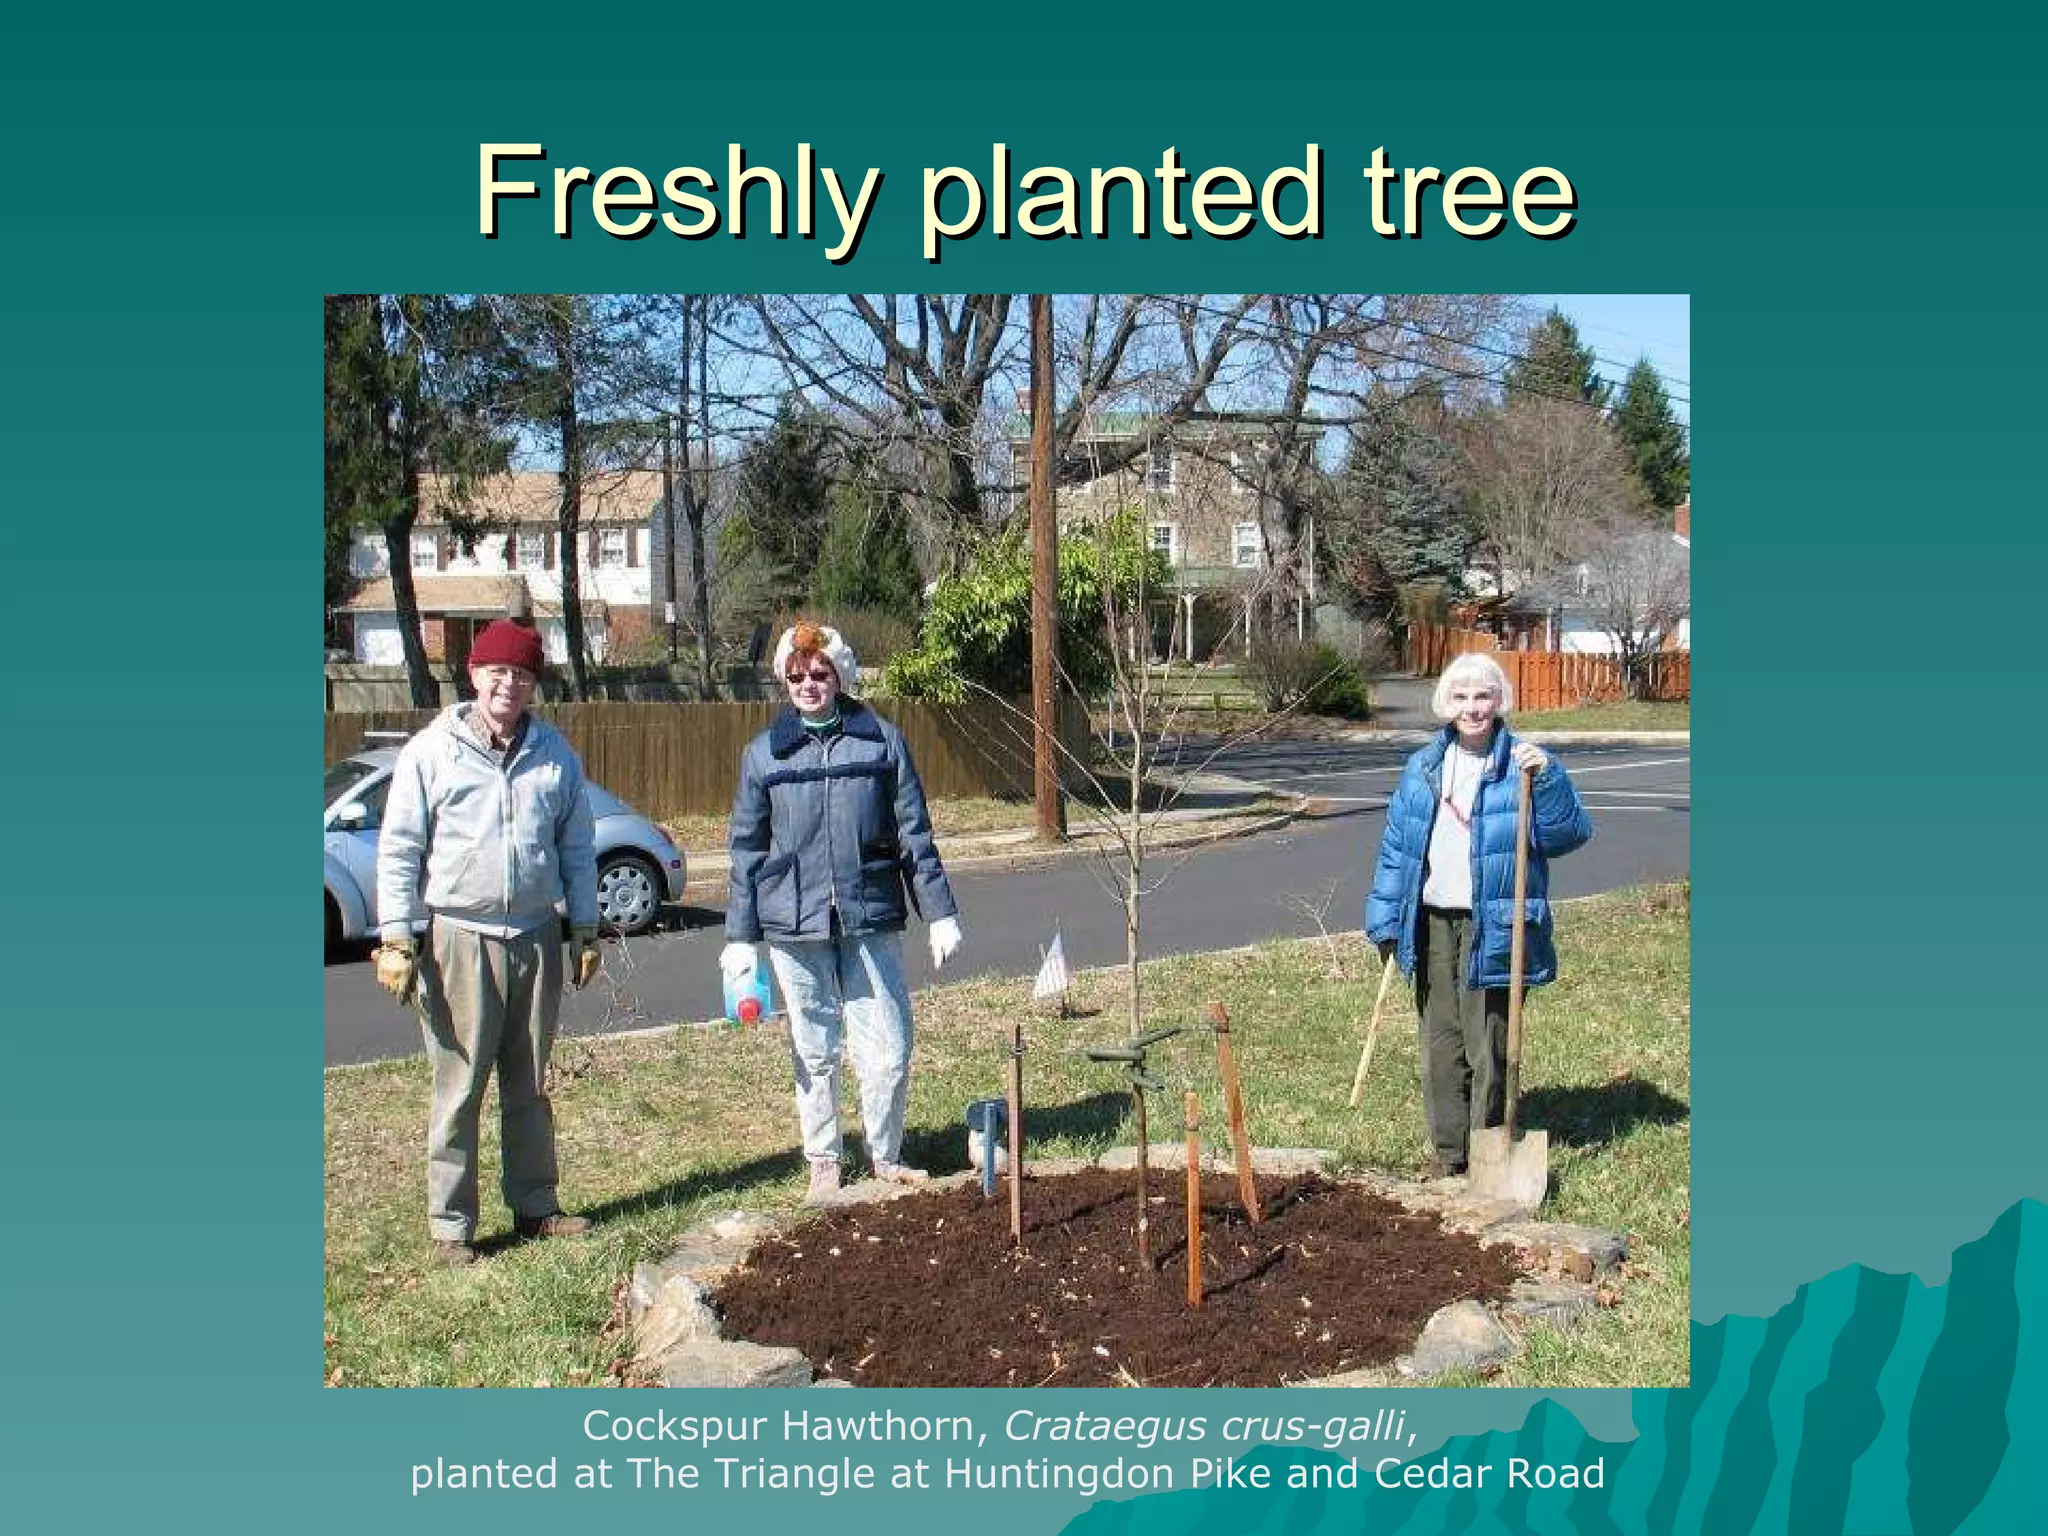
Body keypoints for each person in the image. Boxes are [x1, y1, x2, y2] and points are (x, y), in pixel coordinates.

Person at [372, 618, 604, 1266]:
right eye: (498, 672)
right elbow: (398, 849)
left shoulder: (555, 754)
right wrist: (396, 936)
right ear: (474, 675)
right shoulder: (432, 751)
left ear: (534, 686)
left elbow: (578, 848)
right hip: (459, 938)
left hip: (534, 934)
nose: (510, 684)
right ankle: (452, 1226)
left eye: (523, 675)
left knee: (529, 1081)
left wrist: (583, 927)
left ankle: (536, 1206)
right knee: (460, 1083)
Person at [721, 621, 963, 1201]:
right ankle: (823, 1161)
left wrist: (940, 911)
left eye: (821, 673)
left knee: (888, 1046)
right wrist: (739, 936)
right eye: (798, 675)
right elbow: (747, 848)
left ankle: (885, 1155)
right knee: (814, 1048)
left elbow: (913, 834)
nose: (810, 684)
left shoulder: (881, 741)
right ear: (785, 682)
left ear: (840, 676)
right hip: (792, 924)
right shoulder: (764, 755)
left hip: (870, 914)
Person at [1365, 652, 1593, 1177]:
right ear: (1446, 703)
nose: (1473, 707)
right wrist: (1383, 917)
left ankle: (1488, 1149)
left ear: (1500, 701)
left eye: (1484, 695)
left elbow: (1568, 835)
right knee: (1439, 1040)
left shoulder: (1526, 766)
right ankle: (1450, 1154)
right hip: (1431, 920)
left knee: (1485, 1040)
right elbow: (1398, 848)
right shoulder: (1422, 766)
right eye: (1462, 696)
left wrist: (1551, 779)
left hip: (1494, 922)